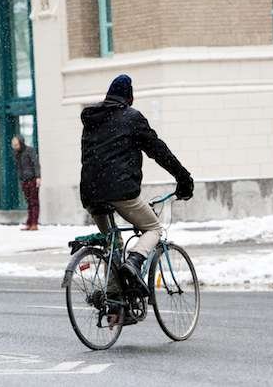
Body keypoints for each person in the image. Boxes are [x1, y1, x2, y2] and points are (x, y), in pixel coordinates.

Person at [80, 74, 194, 295]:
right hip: (120, 190)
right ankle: (134, 261)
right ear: (129, 97)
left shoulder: (93, 120)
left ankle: (113, 299)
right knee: (153, 228)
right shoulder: (131, 118)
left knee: (112, 243)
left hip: (90, 193)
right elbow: (158, 151)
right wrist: (183, 178)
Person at [11, 135, 41, 231]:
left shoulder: (30, 150)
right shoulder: (16, 153)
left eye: (16, 144)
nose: (14, 146)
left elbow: (36, 164)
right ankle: (29, 222)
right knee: (28, 202)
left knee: (34, 202)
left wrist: (38, 177)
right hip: (24, 180)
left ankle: (34, 223)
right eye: (13, 145)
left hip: (32, 179)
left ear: (21, 142)